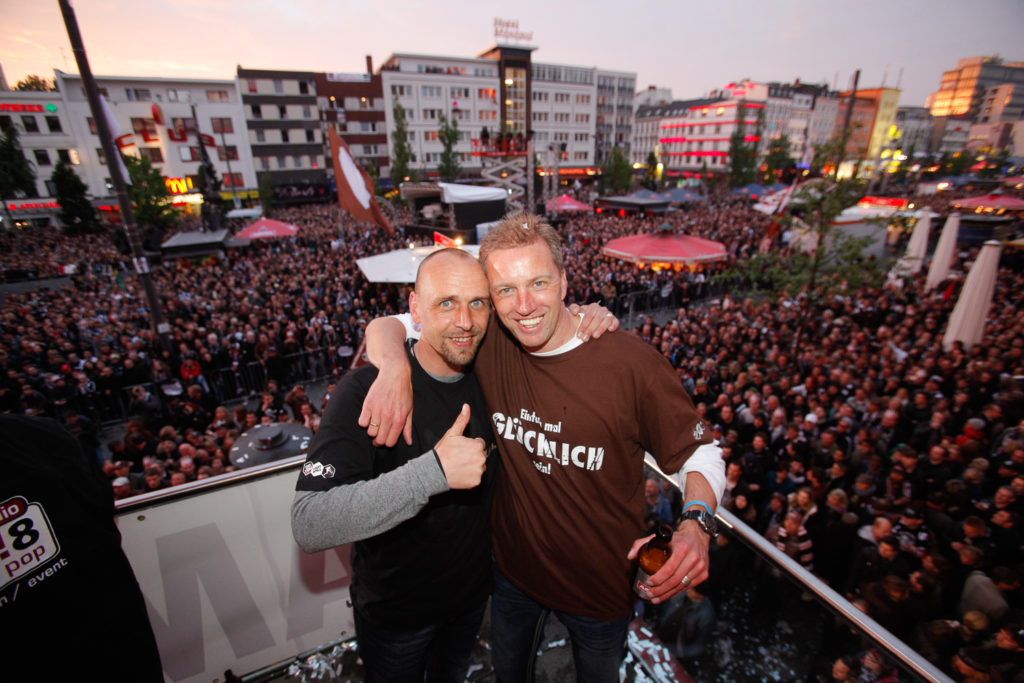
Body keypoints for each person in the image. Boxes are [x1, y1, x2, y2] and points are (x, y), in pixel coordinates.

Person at [362, 213, 724, 682]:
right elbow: (388, 325)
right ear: (491, 298)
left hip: (600, 590)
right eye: (506, 290)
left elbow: (701, 453)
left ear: (564, 281)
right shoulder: (486, 341)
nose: (525, 305)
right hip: (513, 577)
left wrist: (696, 524)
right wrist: (393, 367)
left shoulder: (630, 363)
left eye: (538, 283)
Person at [290, 249, 498, 682]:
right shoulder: (367, 389)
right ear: (415, 309)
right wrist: (433, 473)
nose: (465, 321)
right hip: (396, 617)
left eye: (477, 302)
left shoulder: (494, 372)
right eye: (446, 303)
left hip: (471, 601)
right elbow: (310, 522)